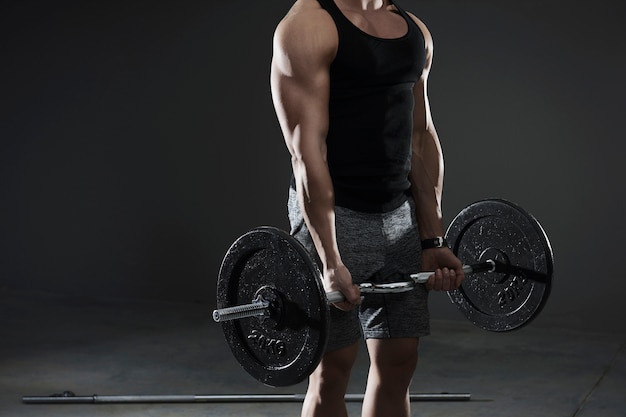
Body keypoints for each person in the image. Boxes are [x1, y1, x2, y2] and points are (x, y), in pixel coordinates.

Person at [270, 0, 465, 416]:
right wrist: (328, 259)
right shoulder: (307, 26)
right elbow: (308, 154)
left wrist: (432, 237)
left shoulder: (415, 32)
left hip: (400, 217)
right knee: (330, 371)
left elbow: (420, 137)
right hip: (335, 217)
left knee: (399, 364)